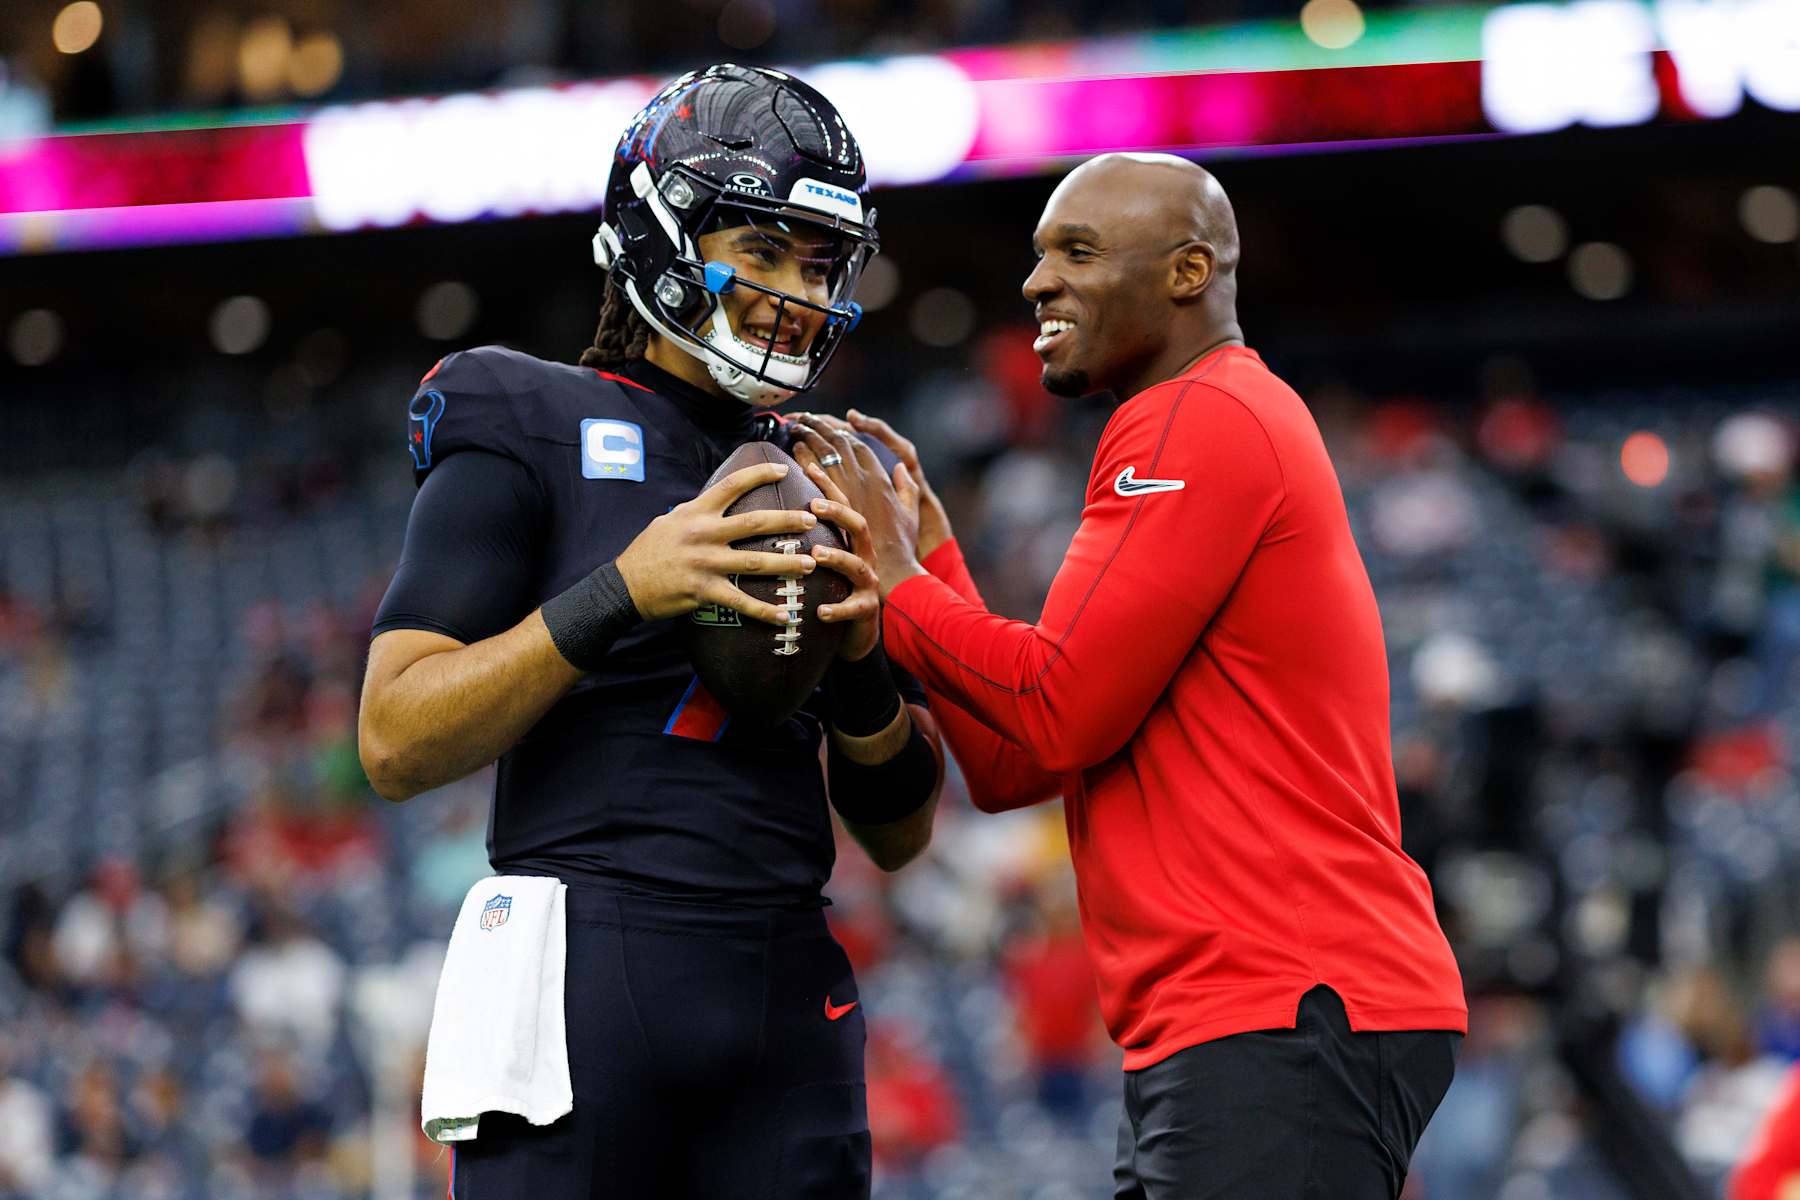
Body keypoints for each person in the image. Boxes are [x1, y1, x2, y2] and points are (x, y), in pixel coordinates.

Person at [789, 152, 1465, 1199]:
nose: (1036, 282)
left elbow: (1049, 711)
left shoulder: (1193, 414)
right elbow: (1019, 763)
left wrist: (897, 582)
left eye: (1079, 250)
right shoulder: (1211, 416)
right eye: (1039, 253)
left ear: (1190, 272)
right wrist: (937, 569)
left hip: (1278, 1000)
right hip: (1245, 1017)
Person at [357, 64, 943, 1199]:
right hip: (584, 956)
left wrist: (864, 663)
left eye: (817, 264)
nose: (792, 293)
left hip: (787, 980)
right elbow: (392, 737)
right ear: (660, 231)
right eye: (761, 251)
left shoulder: (823, 467)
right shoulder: (528, 414)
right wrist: (621, 591)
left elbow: (904, 833)